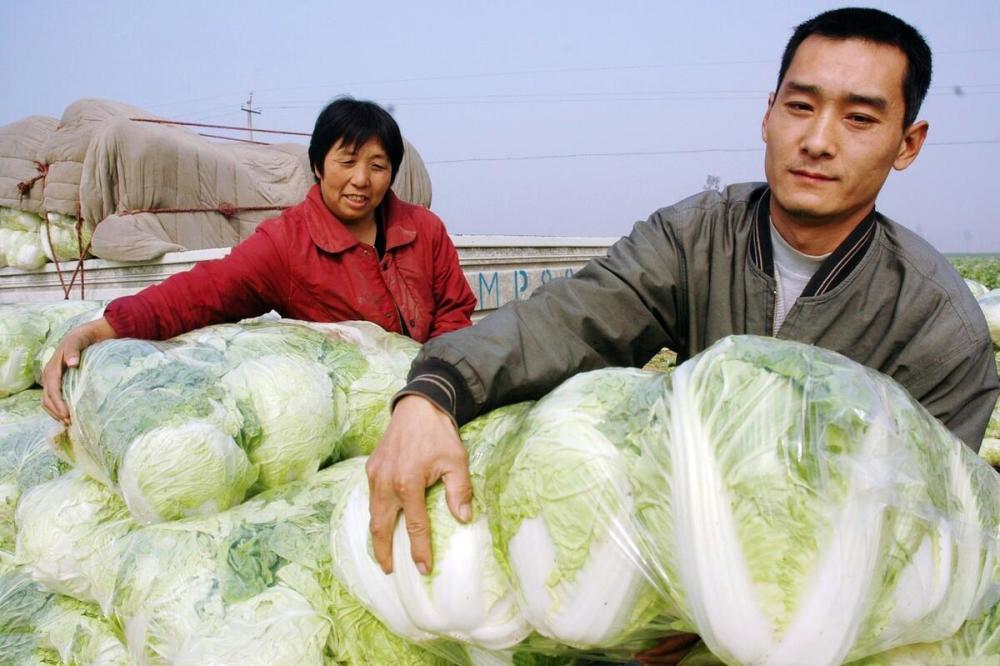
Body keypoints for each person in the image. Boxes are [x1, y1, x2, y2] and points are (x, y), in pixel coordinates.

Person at [366, 8, 999, 661]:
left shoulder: (935, 326)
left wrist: (714, 605)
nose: (818, 139)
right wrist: (437, 389)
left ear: (908, 143)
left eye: (859, 118)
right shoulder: (696, 238)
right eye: (801, 106)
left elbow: (923, 537)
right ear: (768, 113)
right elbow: (574, 316)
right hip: (674, 568)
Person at [42, 97, 477, 424]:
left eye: (377, 166)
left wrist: (434, 384)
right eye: (346, 162)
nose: (361, 179)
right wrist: (101, 328)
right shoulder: (287, 243)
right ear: (318, 167)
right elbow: (203, 292)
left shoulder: (424, 229)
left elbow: (454, 313)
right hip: (358, 414)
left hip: (437, 397)